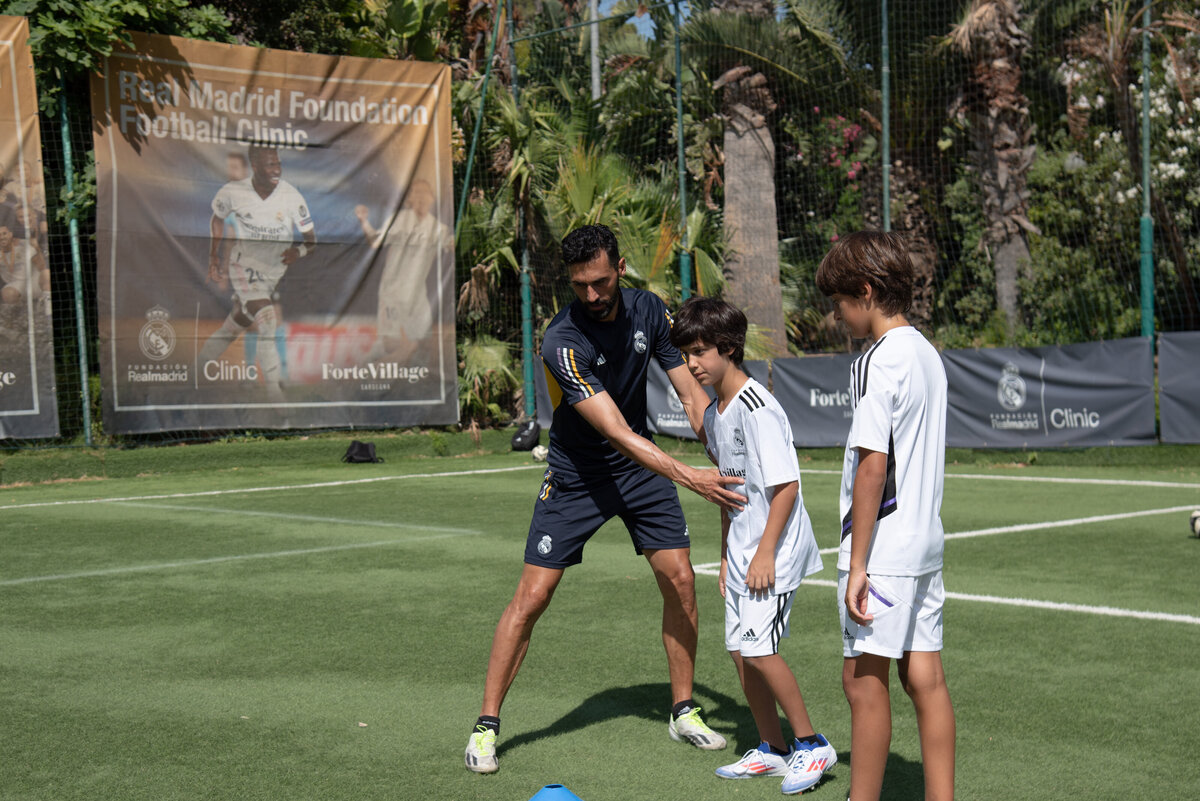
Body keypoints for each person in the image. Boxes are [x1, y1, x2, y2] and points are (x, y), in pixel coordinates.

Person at [464, 224, 746, 774]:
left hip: (641, 473)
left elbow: (691, 394)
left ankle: (683, 710)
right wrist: (691, 478)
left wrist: (719, 451)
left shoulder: (650, 310)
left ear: (620, 268)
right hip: (577, 477)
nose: (591, 295)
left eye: (600, 281)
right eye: (579, 285)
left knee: (681, 580)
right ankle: (486, 725)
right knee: (533, 596)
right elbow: (615, 431)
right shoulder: (561, 340)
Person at [670, 296, 836, 795]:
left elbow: (786, 488)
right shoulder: (716, 414)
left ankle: (812, 744)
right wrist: (727, 556)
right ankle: (772, 749)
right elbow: (731, 492)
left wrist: (763, 553)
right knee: (740, 651)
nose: (692, 364)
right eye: (686, 354)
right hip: (743, 552)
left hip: (775, 552)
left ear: (728, 347)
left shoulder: (758, 409)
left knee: (760, 650)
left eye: (700, 352)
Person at [815, 231, 955, 801]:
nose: (837, 314)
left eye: (840, 301)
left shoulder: (876, 360)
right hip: (925, 544)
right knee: (925, 678)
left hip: (885, 551)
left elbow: (873, 465)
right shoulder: (927, 352)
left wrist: (858, 566)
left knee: (861, 680)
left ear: (866, 291)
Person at [197, 144, 315, 403]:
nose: (276, 169)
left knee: (241, 322)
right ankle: (270, 389)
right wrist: (216, 261)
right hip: (244, 267)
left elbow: (310, 239)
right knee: (265, 320)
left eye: (278, 163)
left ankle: (199, 365)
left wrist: (297, 252)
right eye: (270, 164)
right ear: (255, 166)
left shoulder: (289, 195)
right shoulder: (233, 195)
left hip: (274, 271)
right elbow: (223, 229)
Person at [353, 178, 452, 364]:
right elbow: (375, 242)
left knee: (422, 340)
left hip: (417, 294)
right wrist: (364, 221)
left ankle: (392, 359)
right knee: (392, 343)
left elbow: (450, 245)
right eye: (416, 192)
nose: (421, 196)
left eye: (425, 192)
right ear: (409, 199)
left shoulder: (439, 229)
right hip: (393, 291)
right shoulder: (399, 219)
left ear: (432, 198)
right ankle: (377, 358)